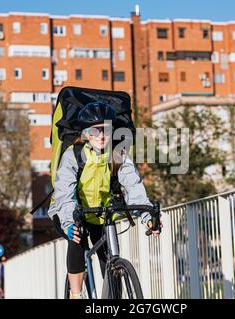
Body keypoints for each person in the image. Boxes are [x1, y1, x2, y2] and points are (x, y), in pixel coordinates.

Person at [47, 101, 160, 299]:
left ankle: (113, 297)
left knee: (109, 257)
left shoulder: (118, 155)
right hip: (73, 211)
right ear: (86, 133)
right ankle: (76, 294)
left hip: (102, 213)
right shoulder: (73, 155)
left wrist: (147, 216)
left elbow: (134, 187)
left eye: (106, 130)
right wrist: (69, 222)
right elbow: (64, 193)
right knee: (77, 237)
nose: (102, 136)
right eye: (95, 131)